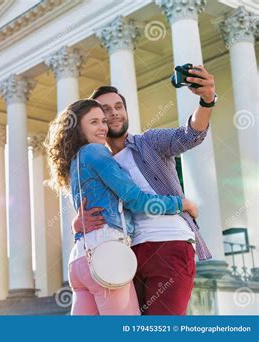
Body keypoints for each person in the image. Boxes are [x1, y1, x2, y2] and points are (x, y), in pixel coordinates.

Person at [72, 65, 217, 315]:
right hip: (125, 254)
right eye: (105, 110)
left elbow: (189, 135)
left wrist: (206, 101)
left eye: (119, 107)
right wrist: (77, 223)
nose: (114, 113)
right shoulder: (96, 161)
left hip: (169, 243)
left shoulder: (148, 142)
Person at [44, 99, 198, 315]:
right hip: (106, 251)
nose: (103, 128)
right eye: (94, 122)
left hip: (79, 260)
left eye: (103, 122)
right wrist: (182, 203)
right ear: (78, 128)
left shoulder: (75, 161)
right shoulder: (96, 152)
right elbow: (136, 200)